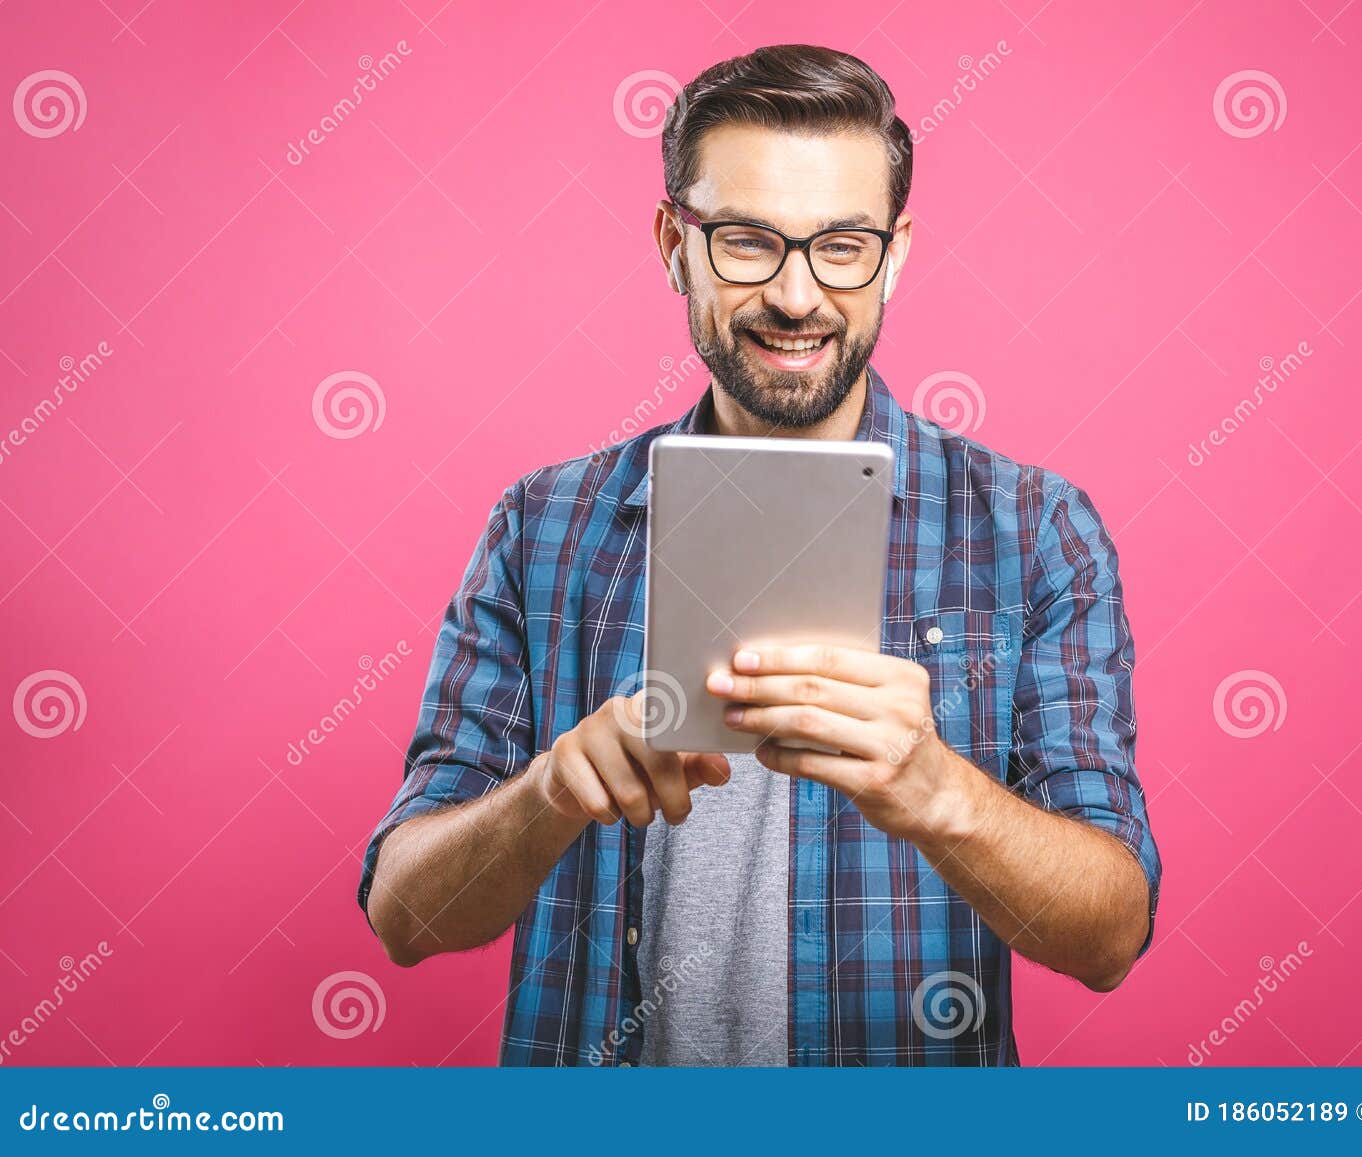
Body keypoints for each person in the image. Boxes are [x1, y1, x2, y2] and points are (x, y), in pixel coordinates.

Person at [358, 43, 1160, 1066]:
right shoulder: (543, 526)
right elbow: (405, 913)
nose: (795, 295)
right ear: (673, 243)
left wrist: (933, 788)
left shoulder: (1035, 531)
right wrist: (549, 792)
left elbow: (1109, 933)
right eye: (746, 240)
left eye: (841, 245)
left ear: (895, 252)